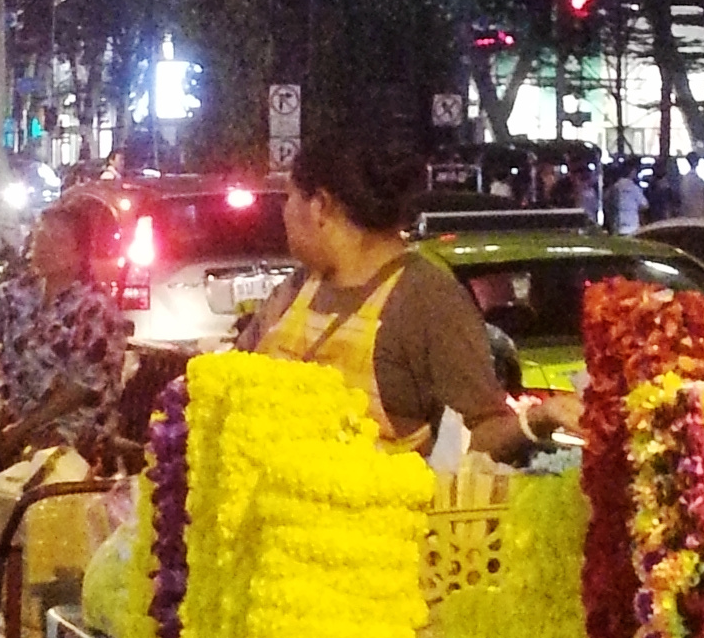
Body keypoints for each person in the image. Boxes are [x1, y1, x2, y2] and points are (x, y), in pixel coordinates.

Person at [245, 127, 572, 456]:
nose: (284, 212)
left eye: (290, 197)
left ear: (319, 206)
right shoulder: (297, 288)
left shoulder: (428, 299)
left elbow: (480, 431)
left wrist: (538, 419)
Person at [0, 190, 128, 454]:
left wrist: (23, 428)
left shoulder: (94, 308)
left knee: (33, 458)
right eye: (38, 236)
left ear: (79, 253)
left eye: (55, 240)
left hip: (71, 429)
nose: (42, 247)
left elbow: (80, 389)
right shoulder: (22, 291)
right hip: (13, 416)